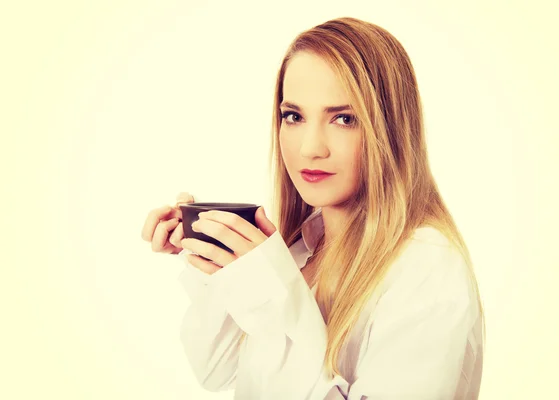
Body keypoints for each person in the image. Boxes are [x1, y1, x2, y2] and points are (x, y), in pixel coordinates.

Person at [141, 16, 484, 399]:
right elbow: (215, 369)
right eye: (294, 116)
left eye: (343, 118)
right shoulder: (304, 245)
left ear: (388, 127)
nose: (310, 148)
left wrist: (270, 293)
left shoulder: (425, 266)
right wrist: (218, 266)